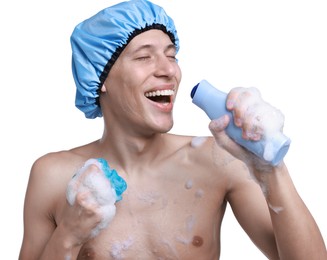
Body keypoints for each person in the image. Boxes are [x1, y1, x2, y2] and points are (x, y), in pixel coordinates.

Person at [19, 0, 327, 259]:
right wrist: (69, 236)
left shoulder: (217, 159)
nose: (169, 70)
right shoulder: (53, 175)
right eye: (144, 57)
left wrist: (270, 168)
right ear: (101, 78)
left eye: (171, 55)